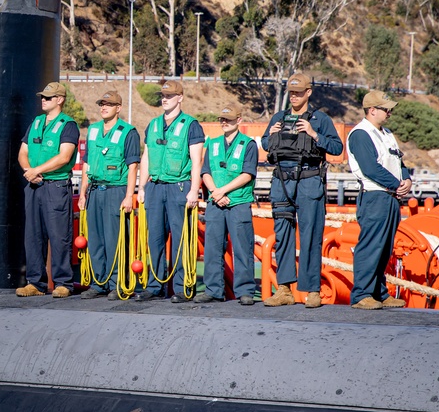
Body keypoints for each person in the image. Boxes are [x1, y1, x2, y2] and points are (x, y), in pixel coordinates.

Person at [261, 73, 343, 308]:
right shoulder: (279, 117)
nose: (294, 97)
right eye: (291, 93)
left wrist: (314, 134)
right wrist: (273, 134)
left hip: (309, 182)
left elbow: (337, 147)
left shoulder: (320, 119)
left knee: (311, 237)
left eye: (298, 93)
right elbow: (266, 144)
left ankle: (312, 290)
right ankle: (284, 289)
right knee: (283, 236)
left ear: (308, 93)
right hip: (282, 182)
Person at [137, 80, 204, 302]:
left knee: (180, 239)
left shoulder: (190, 125)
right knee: (154, 238)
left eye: (169, 95)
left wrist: (194, 190)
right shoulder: (153, 124)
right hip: (155, 187)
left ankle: (182, 287)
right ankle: (155, 286)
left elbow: (196, 161)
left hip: (179, 187)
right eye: (162, 95)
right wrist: (142, 186)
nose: (164, 99)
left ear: (180, 97)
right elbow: (146, 157)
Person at [346, 90, 412, 310]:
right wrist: (397, 184)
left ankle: (378, 292)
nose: (390, 113)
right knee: (371, 246)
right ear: (372, 110)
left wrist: (407, 179)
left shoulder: (387, 133)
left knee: (384, 248)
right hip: (375, 196)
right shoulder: (361, 134)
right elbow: (370, 168)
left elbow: (398, 161)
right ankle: (361, 295)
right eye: (386, 109)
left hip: (390, 197)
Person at [17, 82, 79, 298]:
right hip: (34, 186)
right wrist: (28, 170)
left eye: (49, 97)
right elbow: (23, 151)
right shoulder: (36, 122)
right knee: (33, 235)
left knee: (59, 235)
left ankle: (63, 282)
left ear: (60, 99)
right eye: (43, 97)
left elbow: (64, 156)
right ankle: (35, 282)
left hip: (56, 186)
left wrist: (37, 170)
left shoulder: (68, 125)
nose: (44, 100)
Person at [79, 91, 141, 300]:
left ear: (118, 108)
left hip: (116, 190)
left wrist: (128, 196)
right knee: (95, 239)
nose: (103, 107)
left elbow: (133, 167)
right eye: (102, 104)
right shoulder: (94, 130)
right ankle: (99, 282)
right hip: (95, 190)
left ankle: (117, 283)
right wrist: (83, 192)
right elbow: (87, 162)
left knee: (114, 240)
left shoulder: (128, 132)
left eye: (108, 104)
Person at [199, 105, 258, 305]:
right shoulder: (213, 144)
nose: (224, 123)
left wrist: (222, 191)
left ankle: (245, 291)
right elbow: (205, 171)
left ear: (239, 120)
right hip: (216, 203)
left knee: (242, 247)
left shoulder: (248, 144)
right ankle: (213, 290)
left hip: (239, 202)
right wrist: (216, 193)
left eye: (229, 120)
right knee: (213, 249)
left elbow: (247, 174)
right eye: (222, 119)